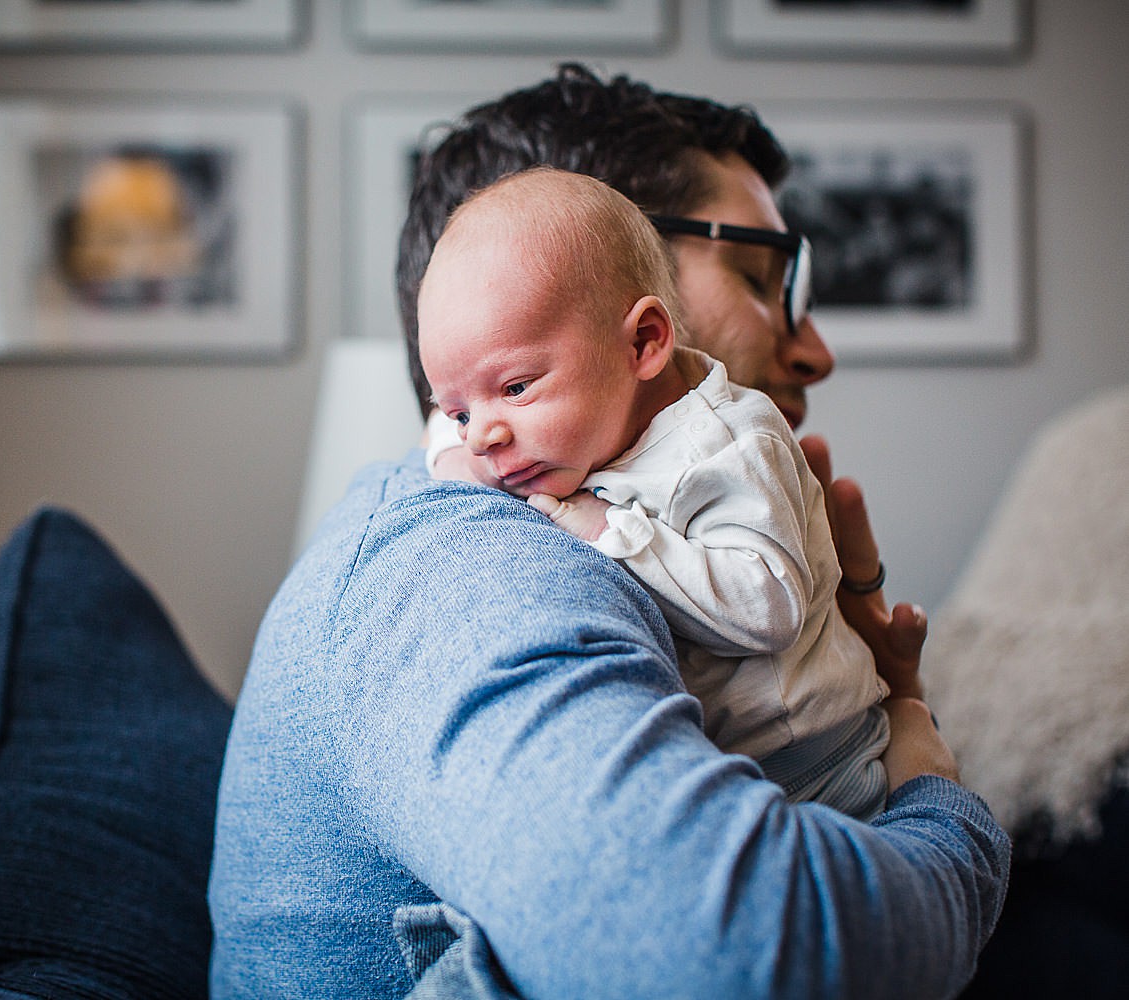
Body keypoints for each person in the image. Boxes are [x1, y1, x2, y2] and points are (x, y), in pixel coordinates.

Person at [207, 66, 1007, 998]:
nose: (814, 348)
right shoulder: (472, 564)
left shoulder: (535, 524)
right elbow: (747, 952)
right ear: (635, 320)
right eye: (758, 275)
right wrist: (938, 804)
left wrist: (863, 693)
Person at [418, 166, 891, 820]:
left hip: (822, 768)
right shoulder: (566, 432)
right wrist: (455, 438)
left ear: (644, 342)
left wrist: (611, 532)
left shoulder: (725, 444)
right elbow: (450, 424)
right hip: (731, 771)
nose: (482, 439)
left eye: (517, 387)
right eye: (462, 410)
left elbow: (769, 607)